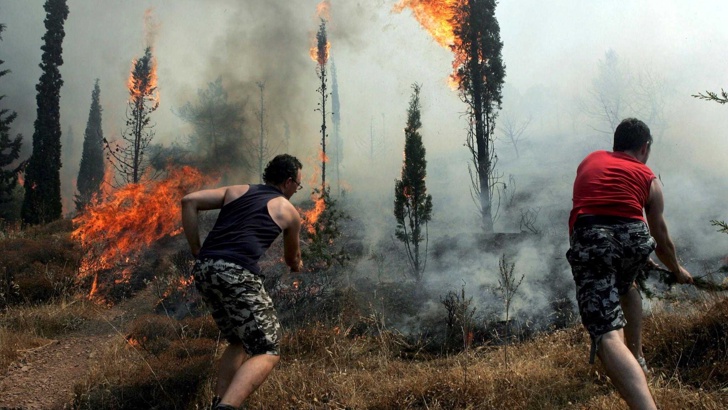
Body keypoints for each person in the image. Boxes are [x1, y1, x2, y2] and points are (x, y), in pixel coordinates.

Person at [566, 118, 693, 409]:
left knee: (607, 332)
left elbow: (584, 207)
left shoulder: (590, 160)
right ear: (645, 147)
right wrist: (677, 270)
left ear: (615, 143)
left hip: (592, 233)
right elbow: (661, 239)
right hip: (635, 237)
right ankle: (636, 358)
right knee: (627, 285)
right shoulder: (649, 178)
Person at [182, 154, 304, 410]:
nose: (297, 190)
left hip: (205, 270)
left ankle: (219, 401)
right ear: (289, 181)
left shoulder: (238, 190)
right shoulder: (288, 210)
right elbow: (291, 258)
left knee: (239, 340)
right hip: (237, 273)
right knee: (267, 349)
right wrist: (297, 266)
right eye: (298, 185)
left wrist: (197, 250)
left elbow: (189, 201)